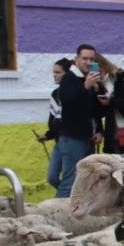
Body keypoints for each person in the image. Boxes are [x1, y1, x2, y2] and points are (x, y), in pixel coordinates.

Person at [52, 44, 104, 196]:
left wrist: (97, 90)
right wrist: (85, 87)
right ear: (76, 60)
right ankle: (59, 216)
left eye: (92, 59)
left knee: (86, 181)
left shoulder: (88, 79)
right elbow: (68, 101)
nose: (88, 62)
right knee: (69, 183)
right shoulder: (70, 78)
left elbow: (94, 112)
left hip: (87, 138)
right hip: (72, 138)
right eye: (84, 59)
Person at [37, 58, 73, 191]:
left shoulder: (73, 92)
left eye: (58, 72)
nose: (55, 75)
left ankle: (68, 198)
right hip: (59, 141)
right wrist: (47, 135)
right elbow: (54, 120)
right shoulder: (55, 93)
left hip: (71, 140)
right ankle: (69, 196)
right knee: (51, 177)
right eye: (54, 72)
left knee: (69, 178)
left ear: (67, 74)